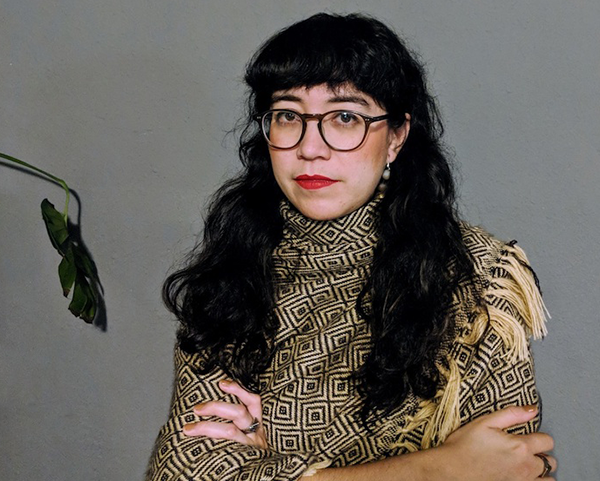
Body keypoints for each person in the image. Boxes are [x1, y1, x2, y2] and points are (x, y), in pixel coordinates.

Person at [146, 12, 556, 481]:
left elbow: (508, 468)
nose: (310, 148)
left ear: (397, 136)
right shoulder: (233, 272)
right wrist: (437, 469)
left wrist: (269, 467)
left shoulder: (477, 280)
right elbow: (182, 471)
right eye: (288, 116)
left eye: (345, 117)